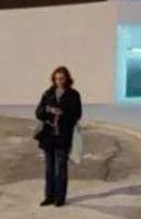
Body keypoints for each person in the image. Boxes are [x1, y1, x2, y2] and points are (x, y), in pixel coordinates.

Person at [36, 65, 83, 207]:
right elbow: (38, 112)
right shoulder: (48, 93)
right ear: (53, 79)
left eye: (62, 79)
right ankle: (49, 196)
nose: (59, 81)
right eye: (57, 79)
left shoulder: (73, 94)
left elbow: (77, 114)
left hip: (63, 136)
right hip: (48, 136)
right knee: (49, 168)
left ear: (67, 79)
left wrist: (63, 113)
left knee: (61, 168)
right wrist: (47, 110)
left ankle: (60, 198)